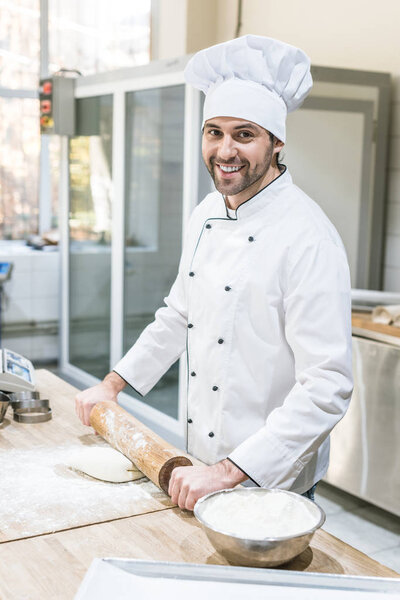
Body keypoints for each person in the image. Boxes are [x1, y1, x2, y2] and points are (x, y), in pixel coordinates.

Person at [75, 35, 353, 511]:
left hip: (272, 472)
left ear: (276, 140)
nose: (226, 150)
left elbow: (327, 385)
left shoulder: (309, 237)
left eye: (244, 134)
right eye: (214, 132)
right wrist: (112, 385)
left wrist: (229, 472)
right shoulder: (206, 213)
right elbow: (178, 314)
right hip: (199, 457)